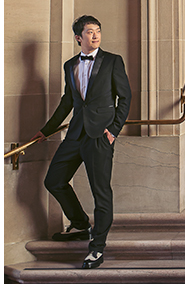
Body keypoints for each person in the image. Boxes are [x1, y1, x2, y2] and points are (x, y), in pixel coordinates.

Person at [31, 15, 131, 269]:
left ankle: (97, 248)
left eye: (98, 31)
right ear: (78, 37)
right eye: (89, 32)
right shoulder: (70, 65)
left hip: (100, 136)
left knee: (101, 192)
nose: (95, 35)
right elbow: (68, 101)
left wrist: (114, 130)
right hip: (75, 134)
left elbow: (125, 97)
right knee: (53, 180)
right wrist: (46, 130)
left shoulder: (112, 61)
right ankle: (79, 223)